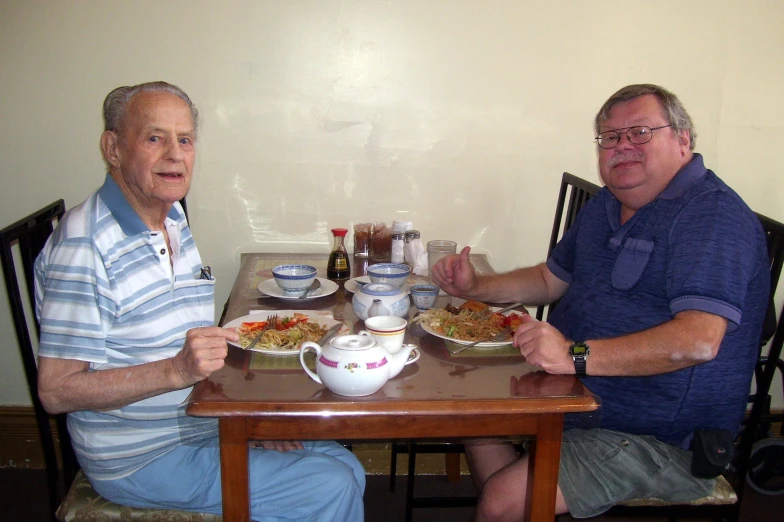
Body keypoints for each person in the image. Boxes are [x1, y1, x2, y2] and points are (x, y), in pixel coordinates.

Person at [431, 84, 770, 520]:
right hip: (571, 399)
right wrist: (475, 286)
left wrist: (572, 355)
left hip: (664, 440)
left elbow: (698, 341)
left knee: (503, 499)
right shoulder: (607, 203)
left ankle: (510, 502)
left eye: (640, 132)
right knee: (469, 412)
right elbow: (548, 280)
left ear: (683, 140)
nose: (622, 146)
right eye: (610, 137)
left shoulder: (710, 217)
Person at [34, 81, 365, 521]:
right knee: (328, 484)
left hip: (195, 420)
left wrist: (240, 423)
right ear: (112, 148)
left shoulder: (171, 217)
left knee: (344, 463)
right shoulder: (85, 246)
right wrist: (177, 370)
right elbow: (56, 391)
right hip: (140, 455)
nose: (175, 154)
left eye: (185, 139)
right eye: (155, 138)